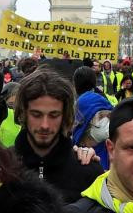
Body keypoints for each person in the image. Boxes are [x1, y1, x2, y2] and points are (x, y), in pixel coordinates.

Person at [13, 69, 103, 203]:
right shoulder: (1, 168)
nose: (45, 125)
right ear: (23, 113)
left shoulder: (88, 171)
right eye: (36, 115)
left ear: (65, 116)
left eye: (53, 115)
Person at [71, 90, 113, 170]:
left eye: (108, 116)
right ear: (85, 124)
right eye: (100, 117)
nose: (106, 121)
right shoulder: (72, 155)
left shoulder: (113, 149)